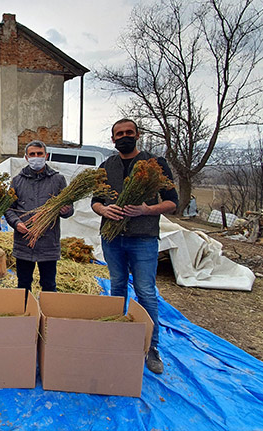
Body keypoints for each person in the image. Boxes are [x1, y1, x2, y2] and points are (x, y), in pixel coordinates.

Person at [91, 118, 179, 375]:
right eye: (119, 134)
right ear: (113, 139)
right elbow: (95, 201)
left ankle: (151, 347)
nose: (124, 137)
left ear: (137, 135)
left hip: (143, 238)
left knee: (145, 292)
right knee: (117, 287)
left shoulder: (156, 164)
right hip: (112, 238)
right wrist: (103, 209)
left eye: (129, 132)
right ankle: (117, 338)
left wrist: (146, 210)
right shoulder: (107, 165)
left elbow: (173, 202)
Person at [5, 140, 73, 295]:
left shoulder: (58, 180)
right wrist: (17, 224)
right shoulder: (17, 181)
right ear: (26, 157)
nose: (36, 157)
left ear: (46, 155)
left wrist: (65, 210)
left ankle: (48, 316)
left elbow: (69, 211)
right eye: (32, 154)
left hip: (48, 243)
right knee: (23, 284)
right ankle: (26, 315)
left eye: (39, 154)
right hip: (24, 243)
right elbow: (8, 209)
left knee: (49, 284)